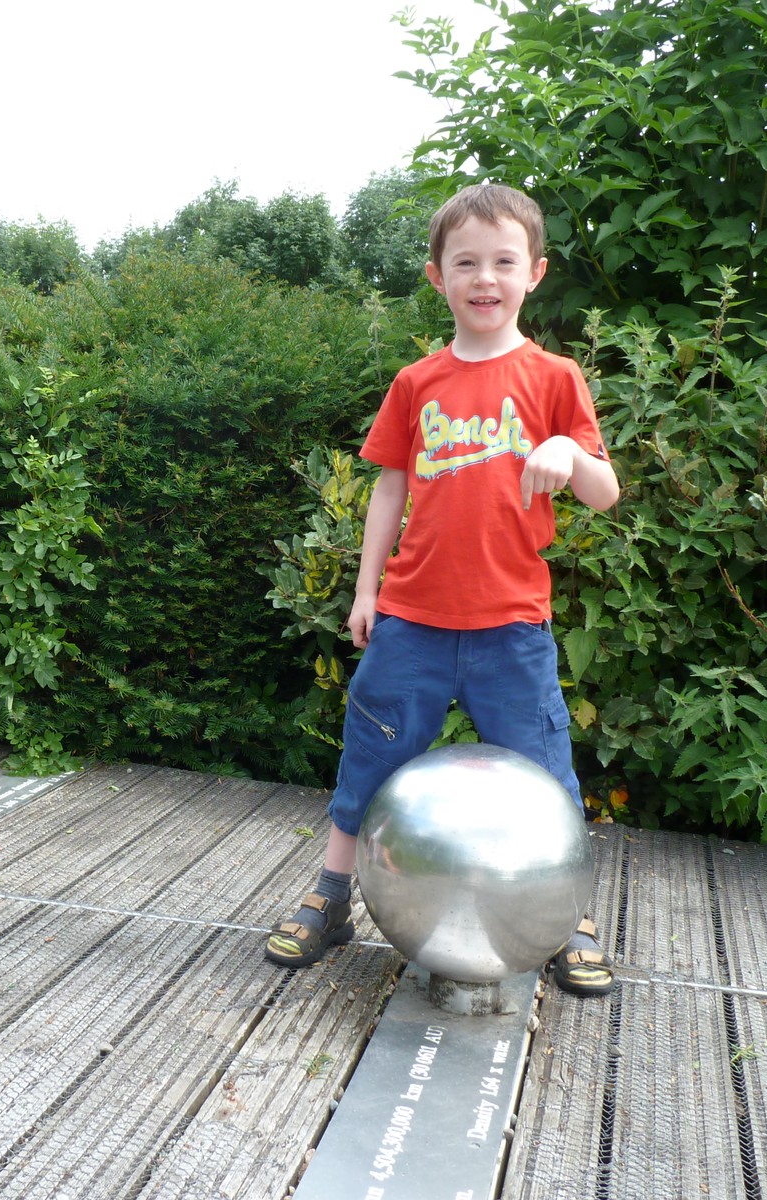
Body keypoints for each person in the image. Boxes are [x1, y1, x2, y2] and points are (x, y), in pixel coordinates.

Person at [263, 184, 621, 995]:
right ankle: (331, 898)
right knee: (368, 763)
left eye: (503, 262)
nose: (485, 278)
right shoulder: (416, 382)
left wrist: (569, 452)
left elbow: (605, 494)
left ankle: (567, 919)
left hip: (512, 628)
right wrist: (365, 593)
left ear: (535, 273)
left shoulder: (555, 377)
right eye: (466, 263)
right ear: (437, 276)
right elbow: (388, 489)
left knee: (547, 776)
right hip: (412, 622)